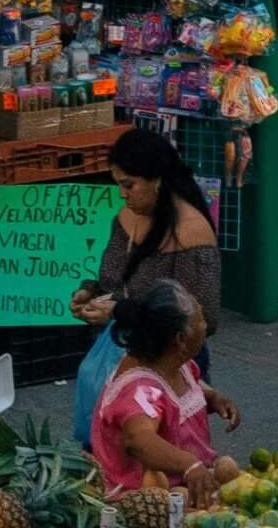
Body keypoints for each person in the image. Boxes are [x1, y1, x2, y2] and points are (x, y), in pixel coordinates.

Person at [71, 128, 222, 368]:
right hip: (118, 354)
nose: (122, 194)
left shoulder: (192, 233)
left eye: (129, 185)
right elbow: (118, 282)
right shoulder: (125, 218)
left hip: (166, 365)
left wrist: (120, 312)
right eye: (119, 185)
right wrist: (91, 292)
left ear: (157, 180)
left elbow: (202, 320)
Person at [89, 282, 239, 504]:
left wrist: (214, 399)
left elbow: (184, 397)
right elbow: (139, 440)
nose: (205, 327)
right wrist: (189, 464)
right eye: (201, 321)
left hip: (188, 484)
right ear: (180, 339)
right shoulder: (141, 389)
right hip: (144, 497)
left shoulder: (175, 363)